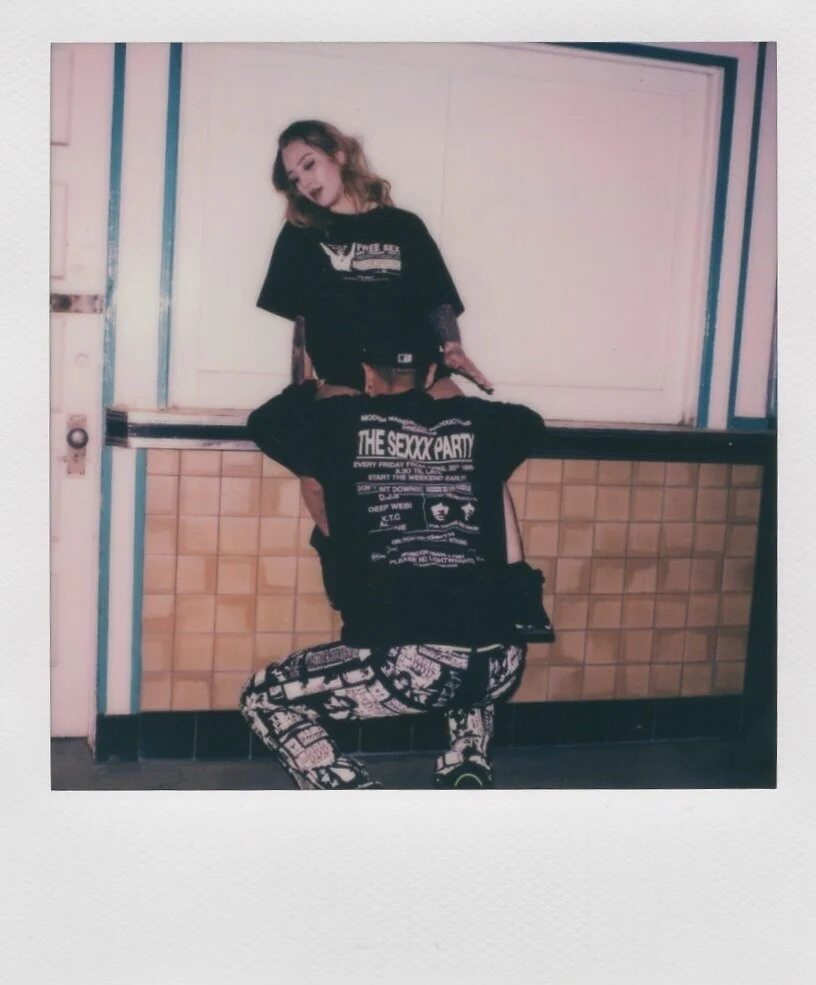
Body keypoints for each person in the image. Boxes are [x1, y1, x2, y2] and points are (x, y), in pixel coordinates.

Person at [255, 119, 551, 639]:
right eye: (293, 178)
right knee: (319, 473)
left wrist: (453, 346)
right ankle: (356, 592)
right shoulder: (302, 236)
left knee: (479, 460)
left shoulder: (404, 227)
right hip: (349, 381)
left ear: (339, 155)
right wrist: (303, 388)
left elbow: (437, 298)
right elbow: (299, 325)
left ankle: (515, 591)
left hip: (421, 374)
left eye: (309, 164)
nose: (303, 182)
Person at [240, 315, 552, 790]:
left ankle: (351, 792)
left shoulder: (336, 423)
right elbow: (530, 422)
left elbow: (263, 422)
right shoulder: (486, 425)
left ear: (367, 373)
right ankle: (465, 757)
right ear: (430, 374)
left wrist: (314, 385)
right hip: (498, 664)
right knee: (467, 629)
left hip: (405, 662)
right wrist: (448, 387)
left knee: (263, 698)